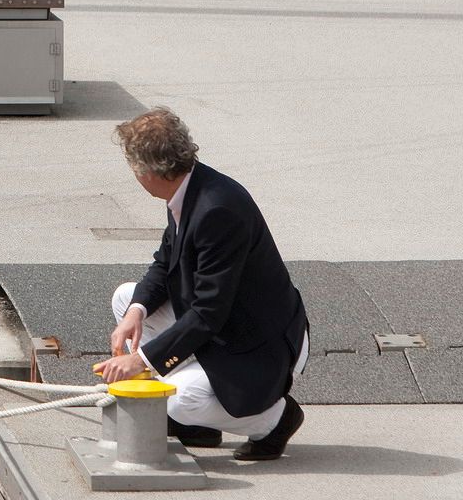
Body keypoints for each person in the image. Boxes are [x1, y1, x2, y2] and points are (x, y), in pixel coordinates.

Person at [97, 108, 311, 461]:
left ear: (149, 171)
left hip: (256, 341)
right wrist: (136, 312)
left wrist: (142, 360)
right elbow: (165, 261)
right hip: (226, 319)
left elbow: (209, 312)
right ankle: (199, 427)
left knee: (182, 399)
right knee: (126, 298)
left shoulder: (217, 211)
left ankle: (275, 420)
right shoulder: (187, 188)